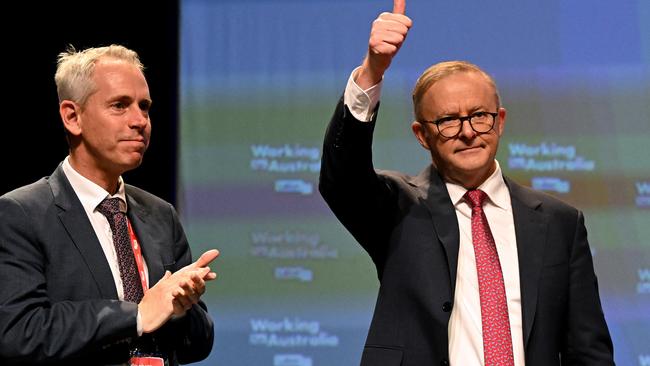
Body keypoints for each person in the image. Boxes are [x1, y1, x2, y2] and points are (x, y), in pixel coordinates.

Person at [319, 1, 615, 365]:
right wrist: (371, 71)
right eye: (447, 121)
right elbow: (342, 179)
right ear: (421, 135)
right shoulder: (398, 208)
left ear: (501, 120)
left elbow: (587, 350)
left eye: (480, 116)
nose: (468, 132)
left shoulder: (560, 222)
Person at [0, 44, 218, 365]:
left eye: (144, 107)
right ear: (72, 117)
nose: (139, 121)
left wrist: (180, 309)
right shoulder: (22, 213)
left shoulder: (160, 214)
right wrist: (137, 314)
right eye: (120, 105)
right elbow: (19, 331)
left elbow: (197, 346)